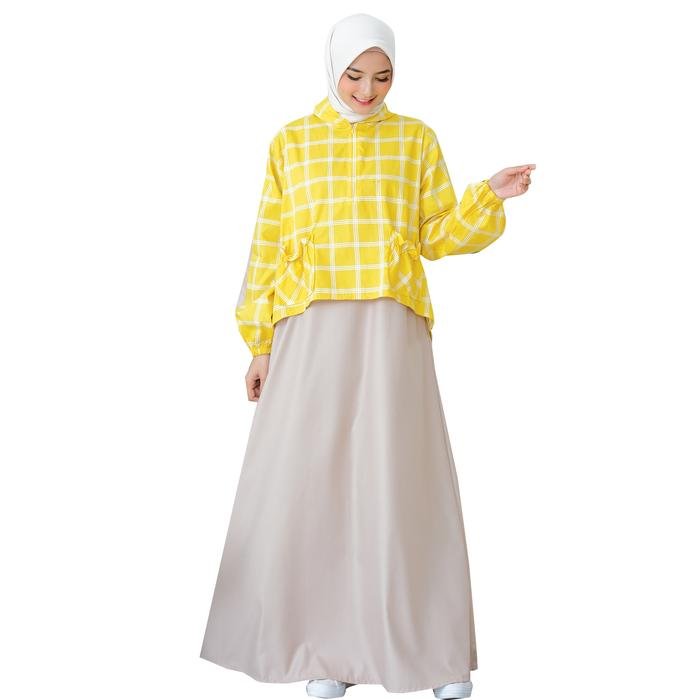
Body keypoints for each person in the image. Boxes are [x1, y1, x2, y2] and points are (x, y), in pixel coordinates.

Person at [200, 12, 535, 700]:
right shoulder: (292, 142)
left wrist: (488, 197)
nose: (366, 90)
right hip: (310, 327)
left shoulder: (415, 140)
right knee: (315, 483)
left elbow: (436, 234)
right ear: (334, 68)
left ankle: (433, 654)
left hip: (390, 324)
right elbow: (267, 246)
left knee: (402, 478)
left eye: (382, 77)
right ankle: (328, 652)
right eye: (355, 75)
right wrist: (258, 343)